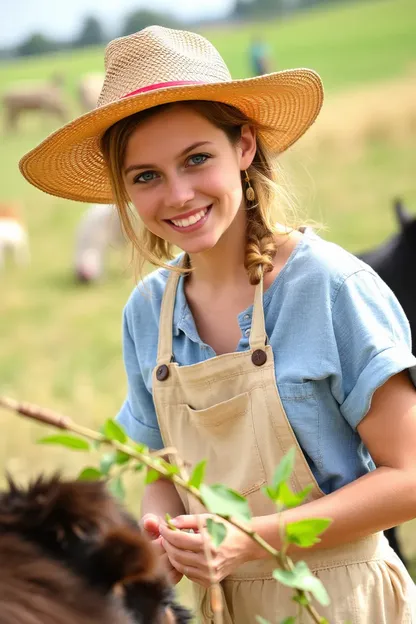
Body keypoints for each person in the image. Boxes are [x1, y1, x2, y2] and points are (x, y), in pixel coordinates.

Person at [19, 25, 416, 624]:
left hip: (345, 604)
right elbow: (161, 469)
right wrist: (164, 541)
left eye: (196, 159)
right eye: (145, 175)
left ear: (245, 148)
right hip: (222, 608)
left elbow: (409, 476)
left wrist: (253, 536)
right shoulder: (146, 313)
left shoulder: (331, 287)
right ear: (123, 190)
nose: (177, 195)